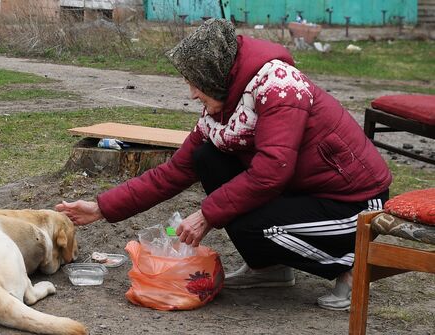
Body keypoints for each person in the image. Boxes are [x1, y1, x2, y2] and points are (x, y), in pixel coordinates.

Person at [55, 19, 392, 311]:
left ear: (215, 74)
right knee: (207, 158)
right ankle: (270, 268)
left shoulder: (280, 88)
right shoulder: (225, 109)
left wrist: (206, 214)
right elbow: (174, 172)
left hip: (353, 205)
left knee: (248, 223)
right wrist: (100, 207)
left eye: (195, 82)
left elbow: (273, 170)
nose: (191, 94)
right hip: (305, 192)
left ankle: (349, 266)